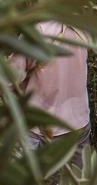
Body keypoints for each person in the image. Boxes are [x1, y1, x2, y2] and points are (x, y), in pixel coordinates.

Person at [9, 21, 92, 165]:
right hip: (78, 121)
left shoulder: (36, 31)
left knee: (22, 180)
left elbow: (10, 77)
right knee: (79, 181)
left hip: (38, 123)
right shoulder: (83, 30)